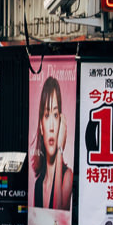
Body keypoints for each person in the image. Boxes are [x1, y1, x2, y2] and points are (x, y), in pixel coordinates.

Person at [31, 74, 74, 211]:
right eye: (46, 115)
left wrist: (60, 149)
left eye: (55, 115)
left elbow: (59, 215)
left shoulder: (67, 176)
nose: (51, 126)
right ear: (41, 126)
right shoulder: (38, 184)